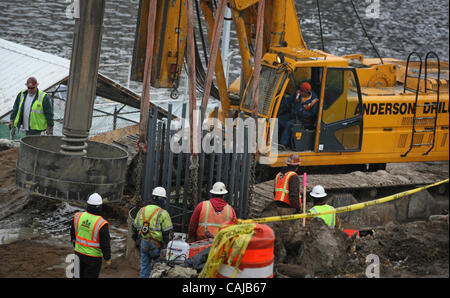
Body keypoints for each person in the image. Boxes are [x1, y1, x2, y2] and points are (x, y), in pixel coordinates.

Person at [132, 186, 173, 278]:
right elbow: (168, 234)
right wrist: (167, 247)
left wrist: (136, 241)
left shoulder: (142, 210)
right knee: (159, 269)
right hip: (157, 246)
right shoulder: (163, 213)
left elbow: (134, 228)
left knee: (144, 267)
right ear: (161, 199)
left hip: (144, 243)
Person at [70, 193, 111, 278]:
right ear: (99, 207)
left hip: (78, 254)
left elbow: (73, 233)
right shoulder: (101, 223)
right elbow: (105, 243)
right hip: (93, 259)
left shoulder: (78, 216)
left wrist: (75, 244)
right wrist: (107, 258)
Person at [278, 82, 319, 148]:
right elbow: (288, 101)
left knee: (289, 124)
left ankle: (283, 144)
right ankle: (272, 140)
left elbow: (313, 114)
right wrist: (279, 107)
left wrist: (302, 112)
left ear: (306, 92)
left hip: (304, 120)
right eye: (300, 90)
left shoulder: (314, 101)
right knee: (278, 120)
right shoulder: (298, 94)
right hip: (294, 115)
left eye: (302, 91)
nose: (300, 92)